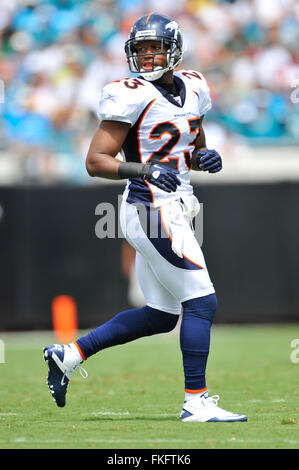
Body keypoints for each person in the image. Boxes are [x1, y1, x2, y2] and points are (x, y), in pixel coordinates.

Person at [43, 13, 247, 423]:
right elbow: (95, 162)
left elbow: (189, 146)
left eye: (155, 48)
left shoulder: (195, 86)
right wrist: (143, 169)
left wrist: (202, 158)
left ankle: (69, 354)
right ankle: (196, 401)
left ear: (174, 49)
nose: (148, 56)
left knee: (161, 315)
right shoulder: (130, 93)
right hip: (149, 207)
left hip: (176, 205)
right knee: (202, 301)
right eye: (140, 49)